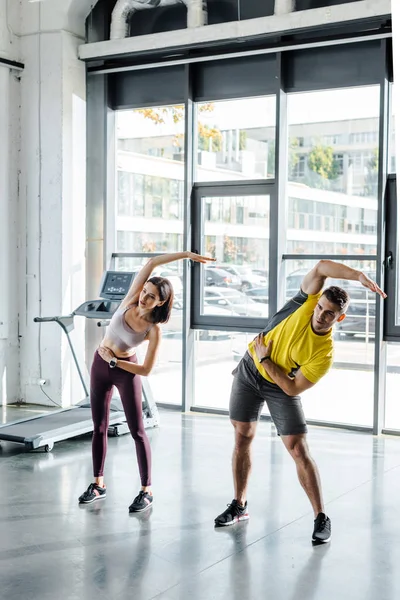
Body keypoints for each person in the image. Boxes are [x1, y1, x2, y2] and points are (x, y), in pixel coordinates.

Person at [214, 260, 386, 542]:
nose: (320, 315)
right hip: (248, 371)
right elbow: (320, 267)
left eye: (330, 314)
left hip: (279, 383)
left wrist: (267, 360)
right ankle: (239, 505)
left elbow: (293, 389)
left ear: (339, 318)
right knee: (242, 436)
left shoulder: (324, 354)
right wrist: (359, 276)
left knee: (297, 449)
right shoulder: (306, 303)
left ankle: (321, 517)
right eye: (321, 308)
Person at [79, 251, 214, 511]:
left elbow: (146, 369)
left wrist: (115, 362)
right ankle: (98, 484)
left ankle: (146, 490)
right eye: (145, 291)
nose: (144, 296)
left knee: (138, 432)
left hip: (124, 371)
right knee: (98, 427)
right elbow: (152, 263)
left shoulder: (153, 329)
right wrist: (186, 255)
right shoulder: (130, 299)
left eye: (152, 296)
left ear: (161, 302)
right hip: (99, 366)